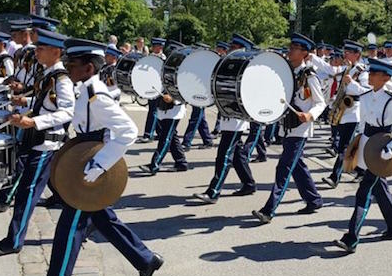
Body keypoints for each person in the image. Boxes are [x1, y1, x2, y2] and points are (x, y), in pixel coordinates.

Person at [22, 38, 163, 276]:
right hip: (84, 163)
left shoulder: (96, 96)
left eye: (71, 64)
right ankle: (146, 259)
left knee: (69, 227)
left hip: (92, 169)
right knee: (103, 219)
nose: (67, 68)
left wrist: (99, 166)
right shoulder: (83, 90)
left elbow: (128, 132)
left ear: (87, 68)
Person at [0, 29, 75, 256]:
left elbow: (67, 112)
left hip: (47, 143)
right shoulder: (48, 74)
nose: (37, 52)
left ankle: (14, 241)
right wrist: (24, 102)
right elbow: (44, 101)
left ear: (56, 51)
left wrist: (34, 122)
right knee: (44, 187)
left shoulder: (61, 79)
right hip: (38, 140)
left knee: (28, 192)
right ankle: (93, 220)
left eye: (41, 49)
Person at [333, 58, 392, 253]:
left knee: (364, 192)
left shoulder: (391, 101)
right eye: (371, 72)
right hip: (367, 147)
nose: (371, 76)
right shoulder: (367, 95)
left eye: (375, 74)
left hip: (381, 151)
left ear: (385, 78)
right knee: (379, 188)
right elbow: (362, 119)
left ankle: (351, 237)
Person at [252, 33, 325, 223]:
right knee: (297, 166)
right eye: (290, 47)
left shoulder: (309, 76)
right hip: (286, 126)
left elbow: (321, 102)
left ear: (304, 53)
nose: (290, 50)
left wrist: (310, 115)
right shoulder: (285, 73)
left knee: (284, 167)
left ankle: (269, 210)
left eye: (294, 48)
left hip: (300, 129)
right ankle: (314, 199)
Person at [192, 34, 258, 204]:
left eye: (234, 48)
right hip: (228, 117)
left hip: (237, 119)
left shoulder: (247, 70)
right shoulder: (228, 66)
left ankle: (214, 191)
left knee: (224, 155)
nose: (229, 50)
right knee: (236, 155)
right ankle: (249, 183)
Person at [322, 40, 368, 189]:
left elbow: (366, 91)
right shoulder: (347, 69)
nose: (345, 54)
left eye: (349, 52)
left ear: (357, 54)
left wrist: (352, 83)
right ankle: (361, 170)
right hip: (344, 110)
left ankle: (335, 176)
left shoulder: (362, 71)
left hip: (354, 112)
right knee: (351, 145)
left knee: (344, 146)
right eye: (345, 51)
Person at [139, 41, 188, 175]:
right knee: (171, 136)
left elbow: (187, 90)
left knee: (165, 137)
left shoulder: (183, 71)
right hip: (164, 107)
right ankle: (181, 162)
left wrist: (173, 98)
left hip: (175, 108)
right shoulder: (166, 68)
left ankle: (154, 164)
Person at [138, 38, 167, 143]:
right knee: (155, 110)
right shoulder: (151, 57)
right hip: (151, 86)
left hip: (158, 87)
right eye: (153, 46)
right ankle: (160, 133)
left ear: (160, 47)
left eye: (156, 46)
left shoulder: (163, 58)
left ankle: (148, 134)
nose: (154, 48)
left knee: (153, 110)